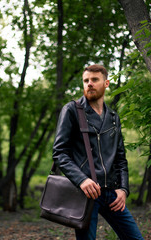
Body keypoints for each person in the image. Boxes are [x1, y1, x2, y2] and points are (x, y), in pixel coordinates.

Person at [53, 64, 144, 240]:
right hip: (86, 193)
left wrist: (123, 189)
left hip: (112, 193)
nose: (89, 84)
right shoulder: (72, 110)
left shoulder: (113, 117)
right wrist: (82, 180)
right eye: (86, 81)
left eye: (95, 80)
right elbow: (59, 153)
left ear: (106, 83)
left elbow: (120, 158)